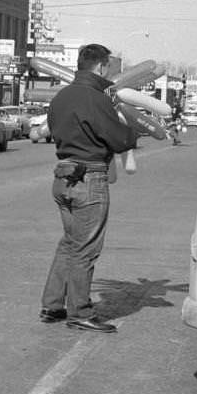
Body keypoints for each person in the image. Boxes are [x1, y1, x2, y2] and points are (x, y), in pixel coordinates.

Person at [39, 43, 140, 333]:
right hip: (89, 179)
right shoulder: (96, 98)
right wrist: (134, 133)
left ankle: (53, 304)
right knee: (85, 249)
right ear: (100, 67)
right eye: (108, 67)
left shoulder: (61, 97)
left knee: (69, 243)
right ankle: (80, 312)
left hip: (63, 176)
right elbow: (116, 138)